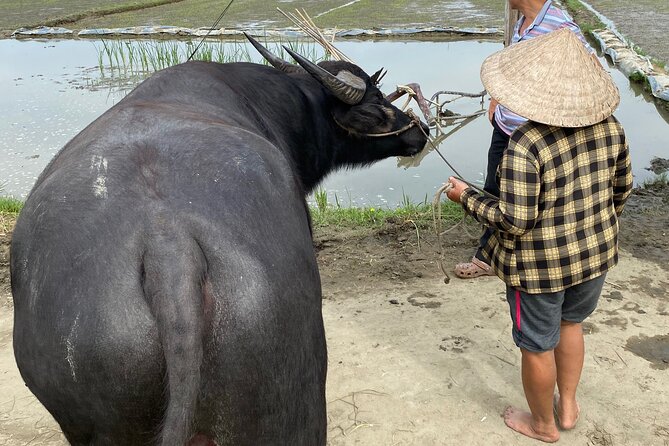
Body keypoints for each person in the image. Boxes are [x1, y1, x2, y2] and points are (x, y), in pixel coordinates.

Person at [446, 28, 632, 442]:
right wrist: (593, 226)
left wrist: (467, 197)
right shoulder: (611, 127)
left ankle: (543, 425)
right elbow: (621, 190)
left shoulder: (526, 144)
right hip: (595, 256)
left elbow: (515, 220)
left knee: (536, 345)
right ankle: (567, 405)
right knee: (570, 326)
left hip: (537, 270)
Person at [455, 0, 598, 279]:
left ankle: (528, 258)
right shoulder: (521, 23)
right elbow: (511, 66)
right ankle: (488, 256)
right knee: (493, 190)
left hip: (536, 138)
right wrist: (496, 100)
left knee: (528, 200)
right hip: (506, 128)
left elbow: (590, 70)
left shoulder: (560, 26)